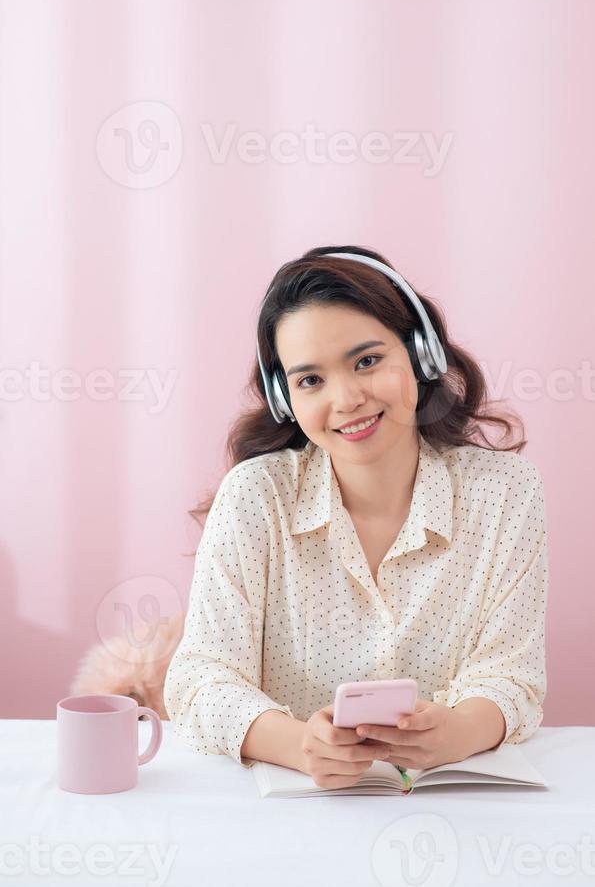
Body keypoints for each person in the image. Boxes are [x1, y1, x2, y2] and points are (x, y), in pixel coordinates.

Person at [163, 245, 548, 790]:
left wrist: (460, 731)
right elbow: (200, 680)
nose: (346, 399)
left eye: (367, 361)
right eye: (310, 381)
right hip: (288, 818)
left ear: (422, 357)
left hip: (451, 817)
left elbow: (512, 676)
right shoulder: (257, 496)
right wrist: (300, 745)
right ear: (284, 398)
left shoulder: (506, 494)